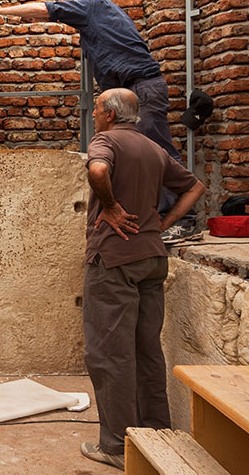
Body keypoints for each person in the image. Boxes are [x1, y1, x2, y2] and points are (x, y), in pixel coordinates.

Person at [0, 0, 199, 244]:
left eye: (60, 0)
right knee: (133, 155)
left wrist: (1, 11)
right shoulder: (93, 24)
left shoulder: (92, 5)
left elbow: (47, 10)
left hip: (141, 88)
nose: (60, 7)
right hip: (126, 93)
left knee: (159, 151)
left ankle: (185, 221)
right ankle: (149, 220)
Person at [80, 88, 204, 469]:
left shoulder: (106, 141)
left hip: (115, 260)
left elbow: (97, 169)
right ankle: (157, 434)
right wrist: (161, 225)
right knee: (147, 351)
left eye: (98, 109)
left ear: (110, 115)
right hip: (152, 259)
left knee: (108, 356)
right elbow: (195, 187)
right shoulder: (153, 148)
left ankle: (117, 447)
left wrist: (113, 207)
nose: (95, 115)